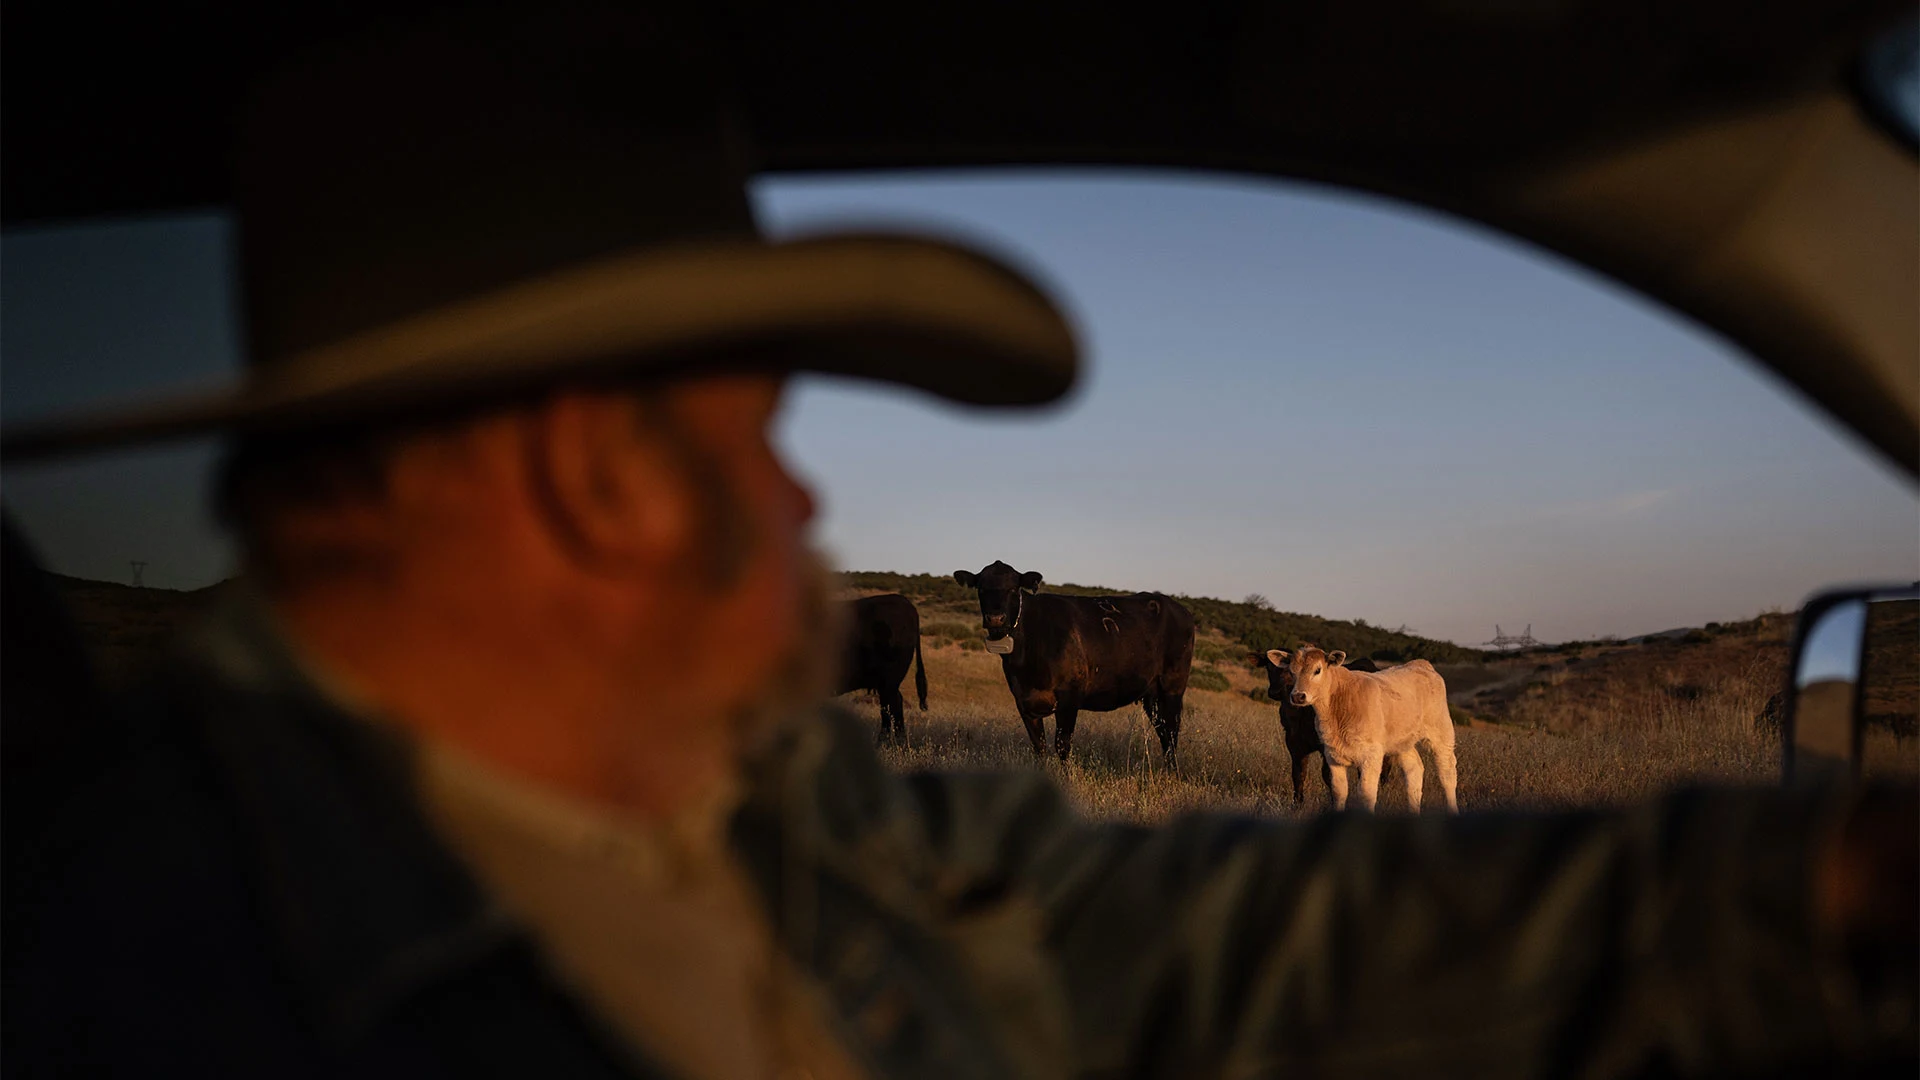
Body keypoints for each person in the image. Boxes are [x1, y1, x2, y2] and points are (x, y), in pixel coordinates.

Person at [3, 7, 1912, 1078]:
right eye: (765, 441)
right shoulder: (144, 987)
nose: (810, 514)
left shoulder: (798, 819)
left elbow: (1245, 941)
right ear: (598, 477)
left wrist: (1838, 879)